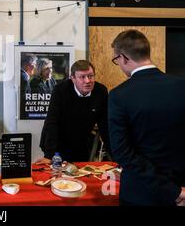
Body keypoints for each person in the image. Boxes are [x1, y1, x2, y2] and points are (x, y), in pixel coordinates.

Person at [108, 29, 185, 206]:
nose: (119, 65)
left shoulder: (119, 95)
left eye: (116, 60)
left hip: (141, 193)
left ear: (124, 58)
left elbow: (122, 152)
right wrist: (178, 191)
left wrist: (171, 191)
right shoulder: (182, 86)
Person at [35, 60, 109, 164]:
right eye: (82, 77)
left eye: (90, 76)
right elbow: (52, 123)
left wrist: (115, 156)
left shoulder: (101, 91)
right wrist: (49, 155)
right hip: (57, 142)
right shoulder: (60, 91)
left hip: (82, 141)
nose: (87, 81)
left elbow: (105, 125)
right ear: (73, 78)